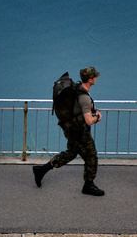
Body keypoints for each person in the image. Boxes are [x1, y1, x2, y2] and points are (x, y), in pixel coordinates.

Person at [33, 67, 104, 195]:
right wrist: (97, 118)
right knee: (91, 156)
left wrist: (94, 109)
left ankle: (41, 170)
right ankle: (88, 185)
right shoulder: (84, 97)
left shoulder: (77, 88)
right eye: (95, 77)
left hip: (70, 128)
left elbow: (87, 106)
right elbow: (88, 120)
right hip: (80, 131)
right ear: (90, 79)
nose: (96, 78)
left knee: (71, 153)